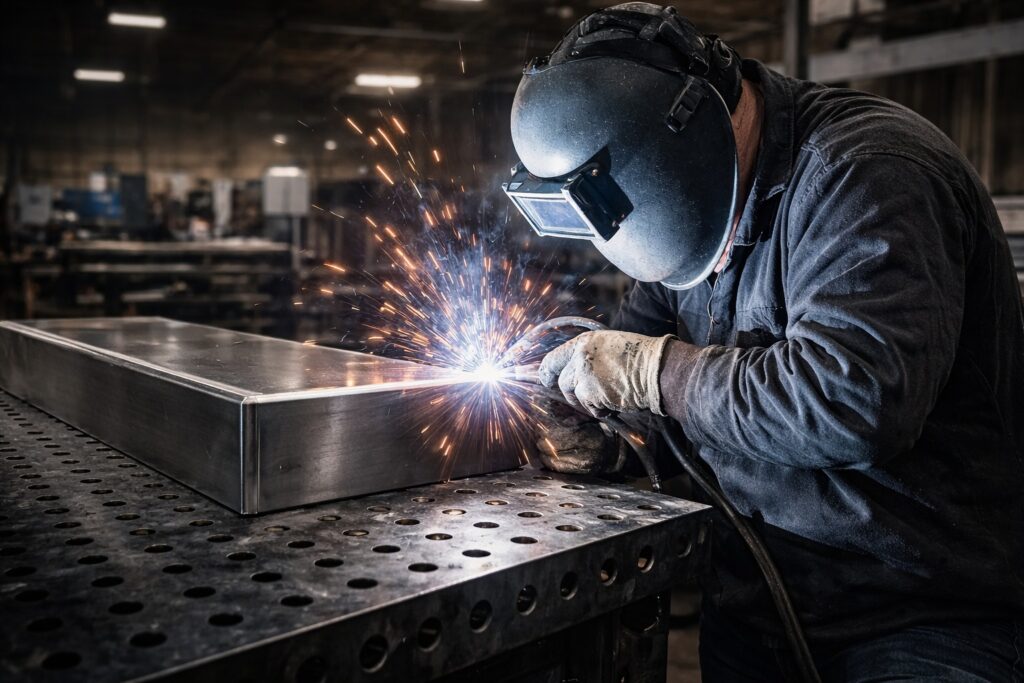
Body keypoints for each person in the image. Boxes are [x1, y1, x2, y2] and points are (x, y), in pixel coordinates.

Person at [504, 3, 1024, 681]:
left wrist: (657, 373)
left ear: (680, 143)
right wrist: (598, 433)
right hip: (759, 605)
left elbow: (851, 400)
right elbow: (654, 404)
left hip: (921, 618)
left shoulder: (867, 172)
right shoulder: (691, 221)